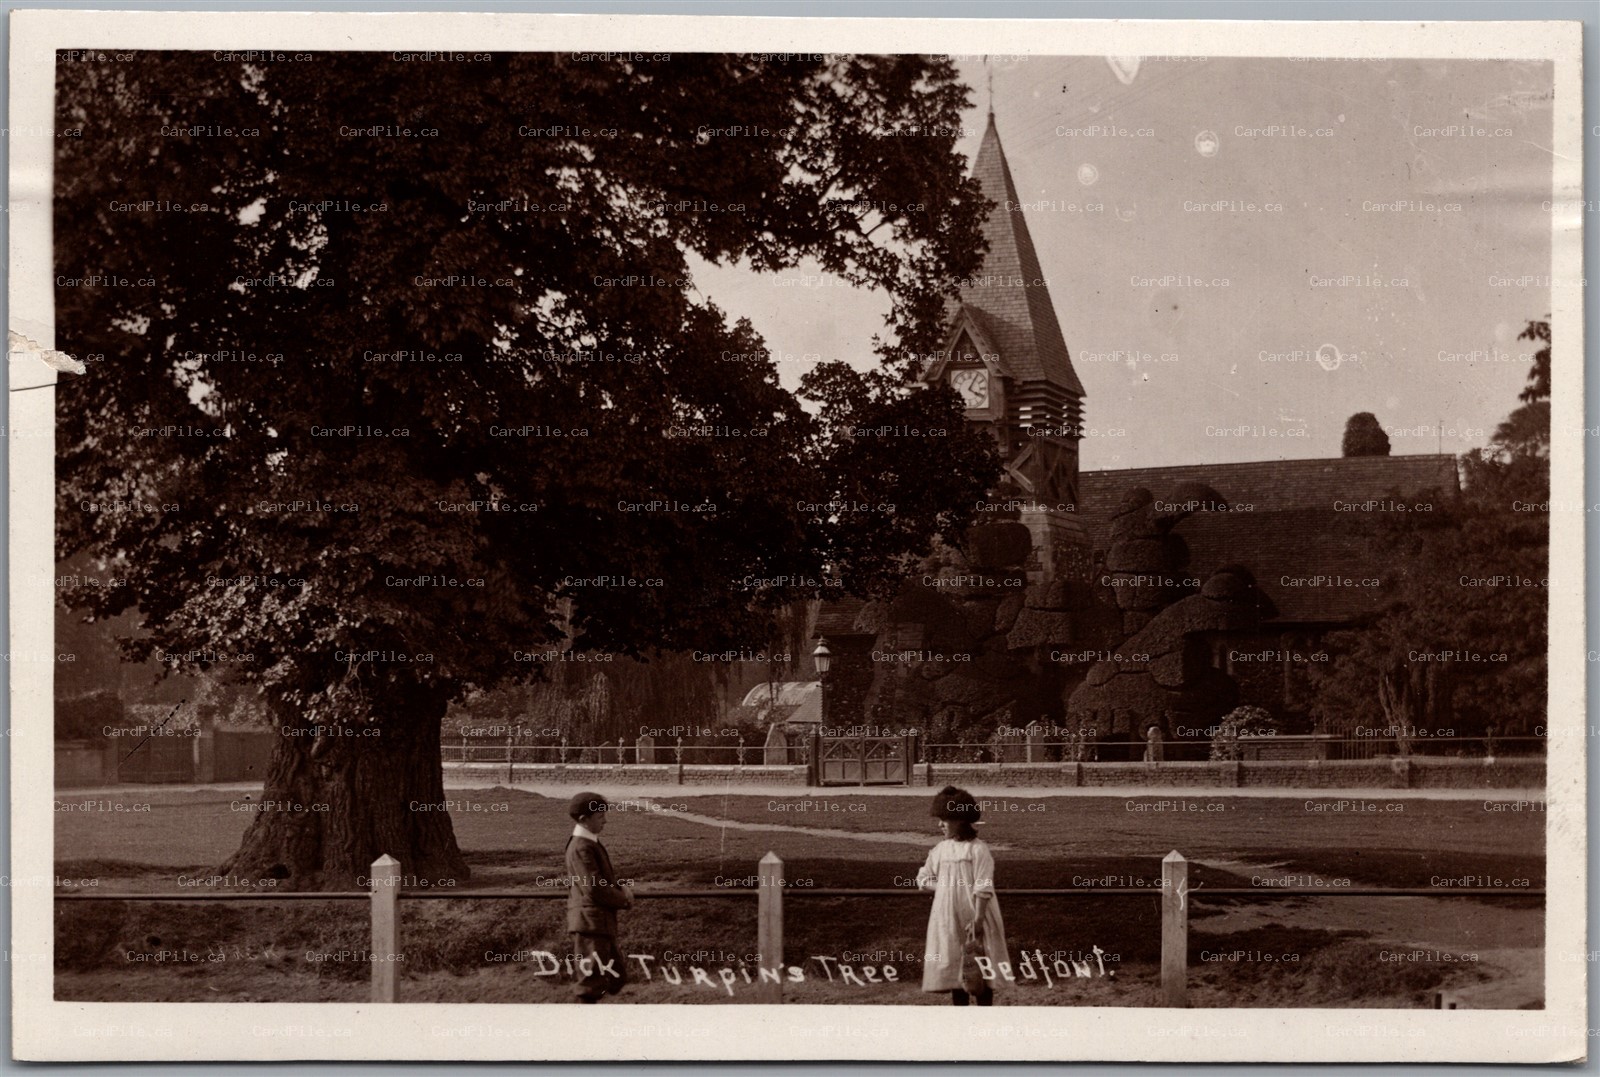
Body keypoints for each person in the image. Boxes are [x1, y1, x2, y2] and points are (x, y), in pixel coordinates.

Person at [916, 785, 1009, 1005]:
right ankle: (961, 1015)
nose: (940, 825)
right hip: (948, 918)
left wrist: (978, 920)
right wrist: (945, 888)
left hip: (975, 916)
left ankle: (984, 1014)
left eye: (945, 820)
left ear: (960, 821)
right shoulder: (941, 849)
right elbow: (923, 879)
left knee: (979, 968)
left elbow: (983, 886)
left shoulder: (977, 849)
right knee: (956, 969)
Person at [565, 791, 633, 1003]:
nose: (605, 821)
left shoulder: (589, 843)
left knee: (616, 977)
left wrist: (619, 888)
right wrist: (623, 899)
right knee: (590, 984)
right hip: (590, 924)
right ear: (584, 819)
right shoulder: (582, 846)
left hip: (599, 923)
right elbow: (594, 887)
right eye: (600, 816)